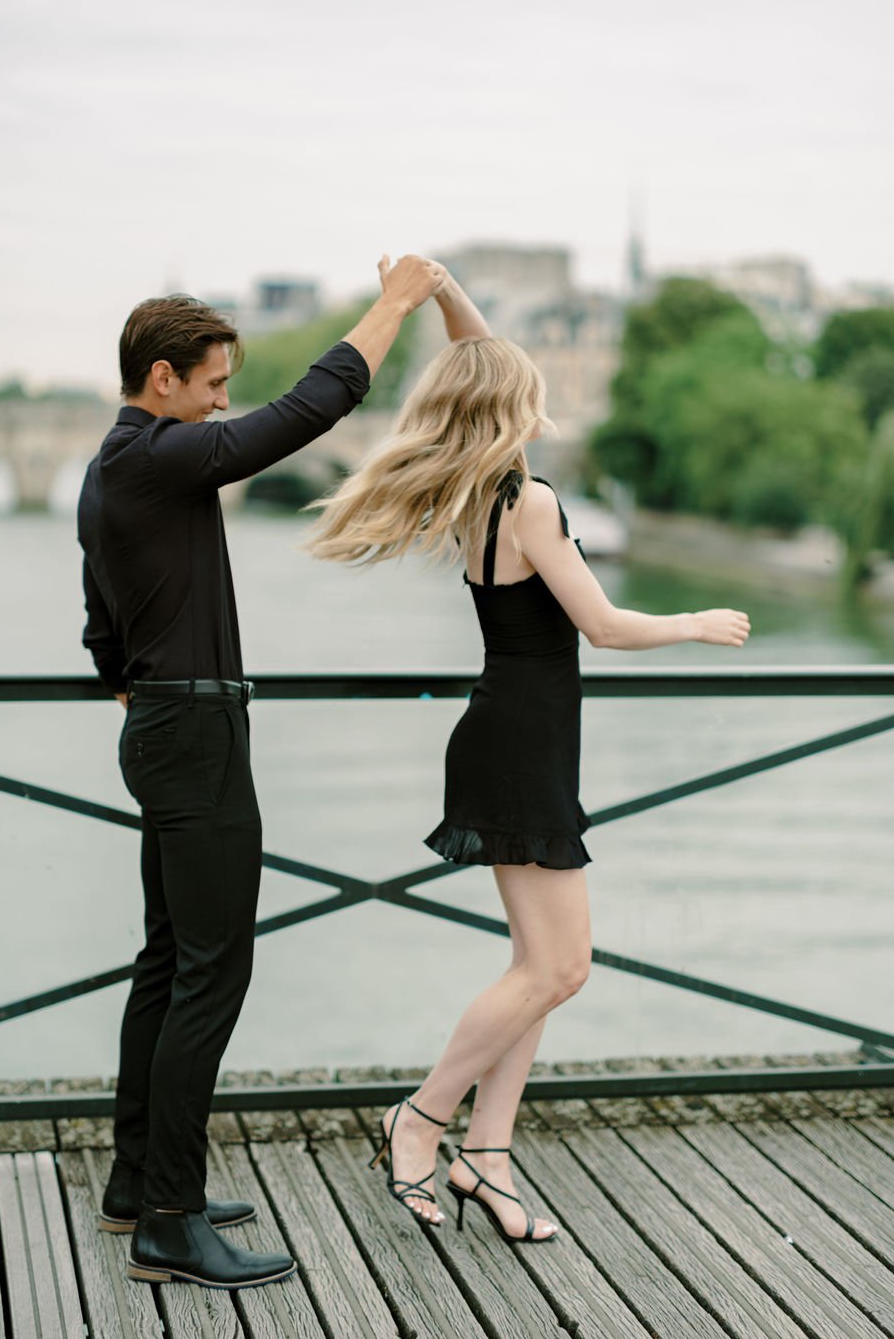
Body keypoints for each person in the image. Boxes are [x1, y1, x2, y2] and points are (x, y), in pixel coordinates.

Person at [307, 269, 750, 1244]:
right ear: (513, 403)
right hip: (521, 745)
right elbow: (600, 626)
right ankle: (420, 1119)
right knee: (559, 968)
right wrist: (696, 621)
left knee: (542, 964)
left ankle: (489, 1156)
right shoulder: (531, 500)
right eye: (528, 384)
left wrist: (447, 293)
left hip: (518, 736)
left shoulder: (480, 489)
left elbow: (478, 359)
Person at [77, 255, 443, 1291]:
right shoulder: (162, 456)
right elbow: (307, 411)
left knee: (167, 961)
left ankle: (137, 1181)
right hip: (193, 740)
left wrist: (127, 677)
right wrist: (394, 305)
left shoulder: (113, 465)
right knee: (211, 972)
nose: (223, 404)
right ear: (162, 379)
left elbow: (100, 616)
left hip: (166, 727)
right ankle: (169, 1221)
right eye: (212, 386)